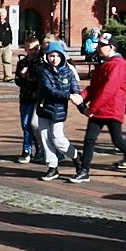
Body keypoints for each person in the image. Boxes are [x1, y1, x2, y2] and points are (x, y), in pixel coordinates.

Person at [70, 32, 126, 182]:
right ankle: (84, 171)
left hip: (112, 109)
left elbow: (109, 89)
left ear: (112, 47)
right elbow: (94, 87)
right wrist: (81, 96)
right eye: (99, 45)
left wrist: (92, 108)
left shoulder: (118, 64)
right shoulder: (104, 64)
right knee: (89, 139)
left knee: (117, 140)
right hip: (100, 109)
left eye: (103, 45)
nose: (99, 48)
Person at [34, 40, 81, 181]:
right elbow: (49, 89)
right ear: (47, 56)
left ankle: (76, 156)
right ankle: (52, 167)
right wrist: (69, 96)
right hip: (44, 108)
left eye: (57, 56)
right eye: (51, 56)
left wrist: (81, 104)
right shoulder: (44, 71)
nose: (54, 59)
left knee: (58, 138)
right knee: (45, 138)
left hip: (59, 110)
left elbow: (75, 89)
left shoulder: (68, 71)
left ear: (62, 56)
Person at [13, 37, 43, 164]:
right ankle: (28, 150)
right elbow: (17, 80)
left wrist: (28, 77)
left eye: (36, 49)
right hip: (25, 97)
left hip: (35, 98)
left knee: (32, 124)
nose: (33, 52)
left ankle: (31, 149)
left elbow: (40, 80)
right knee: (25, 124)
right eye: (31, 49)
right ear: (26, 49)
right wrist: (22, 77)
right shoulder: (22, 63)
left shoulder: (40, 63)